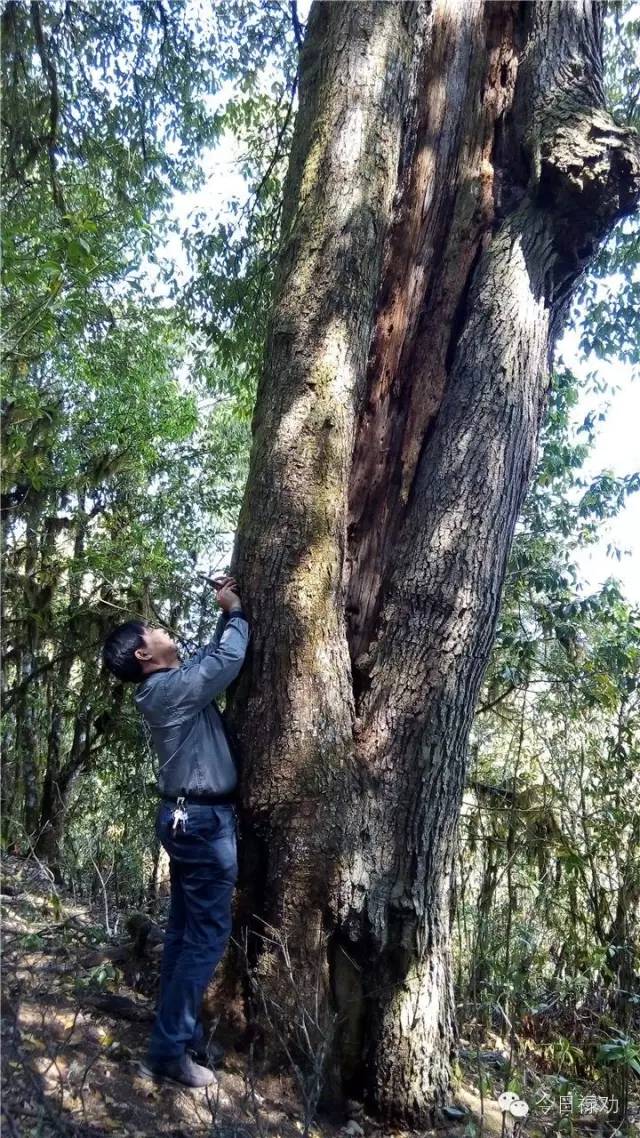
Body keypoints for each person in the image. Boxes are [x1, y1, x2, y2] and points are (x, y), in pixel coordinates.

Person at [102, 575, 250, 1088]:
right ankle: (169, 1051)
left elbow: (206, 666)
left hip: (189, 819)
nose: (166, 631)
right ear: (145, 655)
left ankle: (172, 1038)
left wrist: (225, 614)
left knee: (187, 934)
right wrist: (234, 614)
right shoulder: (168, 692)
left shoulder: (167, 688)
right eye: (156, 630)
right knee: (205, 937)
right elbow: (224, 663)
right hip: (203, 825)